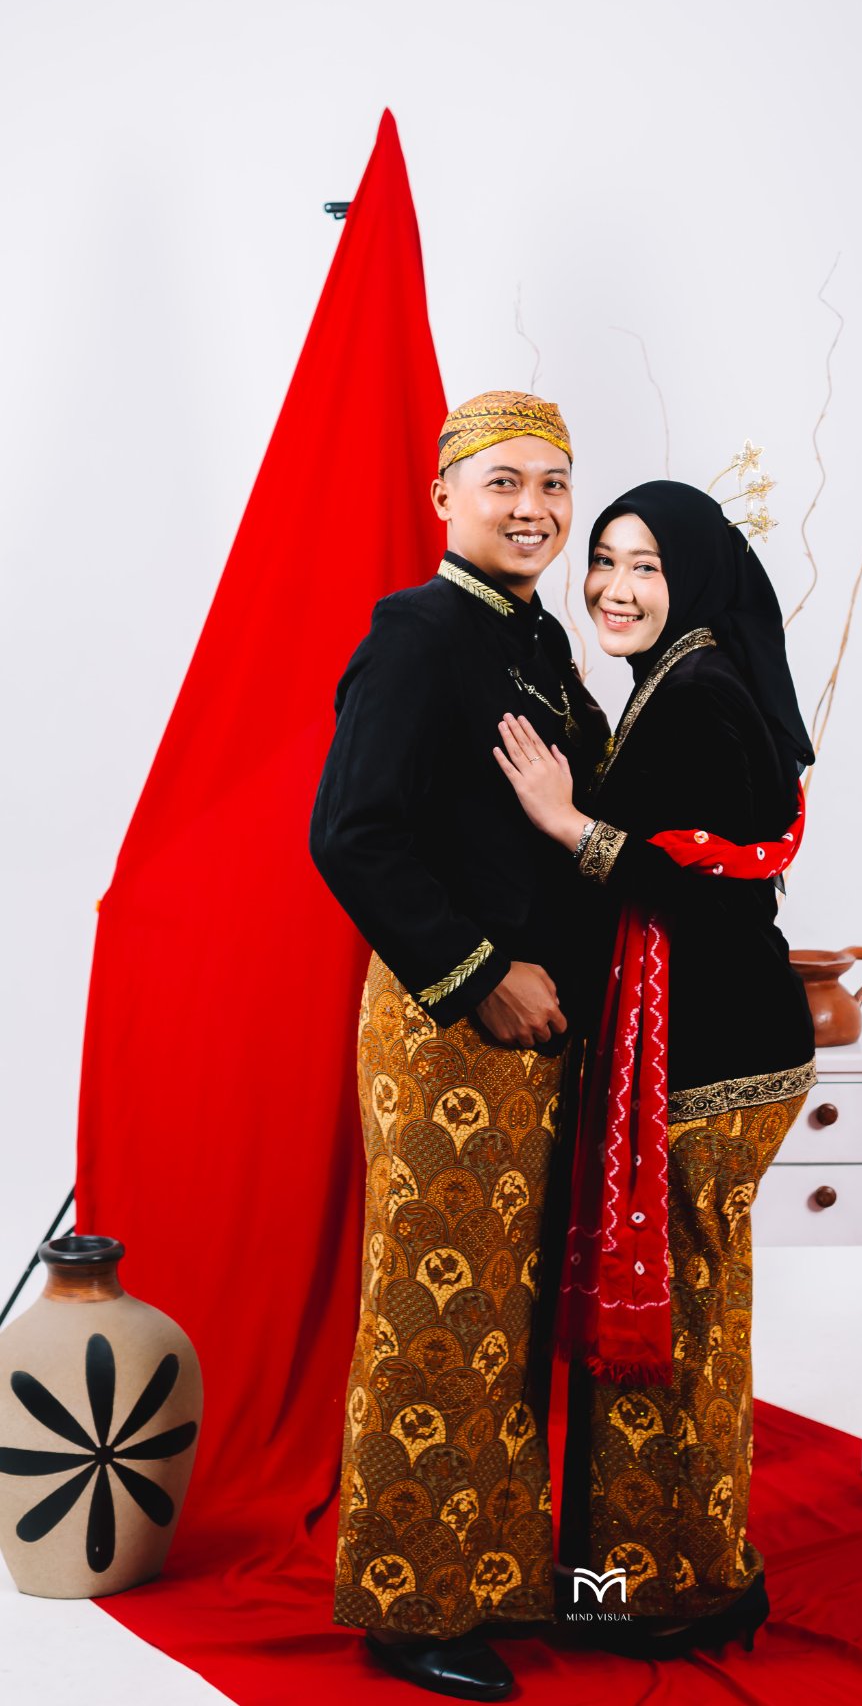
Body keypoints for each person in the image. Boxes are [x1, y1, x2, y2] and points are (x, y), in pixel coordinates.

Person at [310, 391, 609, 1702]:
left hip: (541, 1035)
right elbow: (351, 832)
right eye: (504, 483)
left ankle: (497, 1575)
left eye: (553, 484)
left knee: (508, 1317)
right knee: (437, 1314)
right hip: (450, 1032)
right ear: (445, 499)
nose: (532, 508)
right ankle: (409, 1603)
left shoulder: (539, 639)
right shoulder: (419, 633)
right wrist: (481, 975)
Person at [493, 477, 816, 1658]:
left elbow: (714, 899)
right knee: (684, 1323)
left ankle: (675, 1590)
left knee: (676, 1335)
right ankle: (651, 1575)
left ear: (695, 580)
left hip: (712, 1065)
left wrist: (565, 821)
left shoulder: (699, 697)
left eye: (646, 567)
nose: (615, 589)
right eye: (606, 561)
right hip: (709, 1051)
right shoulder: (680, 678)